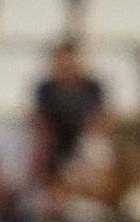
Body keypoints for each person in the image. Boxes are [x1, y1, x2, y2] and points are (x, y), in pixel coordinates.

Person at [33, 40, 105, 176]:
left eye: (69, 62)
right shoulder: (46, 89)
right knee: (39, 146)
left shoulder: (92, 87)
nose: (65, 66)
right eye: (61, 61)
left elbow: (100, 117)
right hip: (54, 140)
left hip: (85, 138)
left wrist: (87, 137)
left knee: (97, 146)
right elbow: (39, 119)